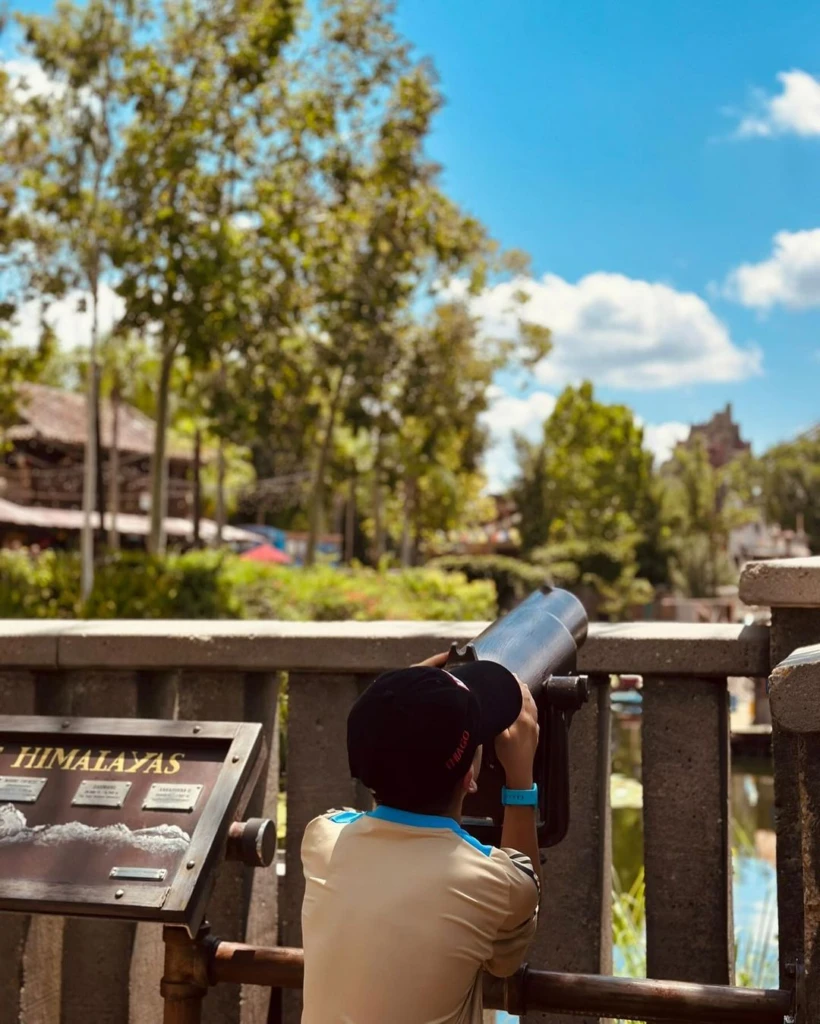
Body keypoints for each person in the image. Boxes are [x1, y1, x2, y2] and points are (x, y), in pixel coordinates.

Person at [300, 651, 542, 1023]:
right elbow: (506, 960)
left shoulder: (322, 840)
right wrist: (521, 779)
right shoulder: (495, 883)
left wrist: (395, 706)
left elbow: (382, 802)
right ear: (469, 778)